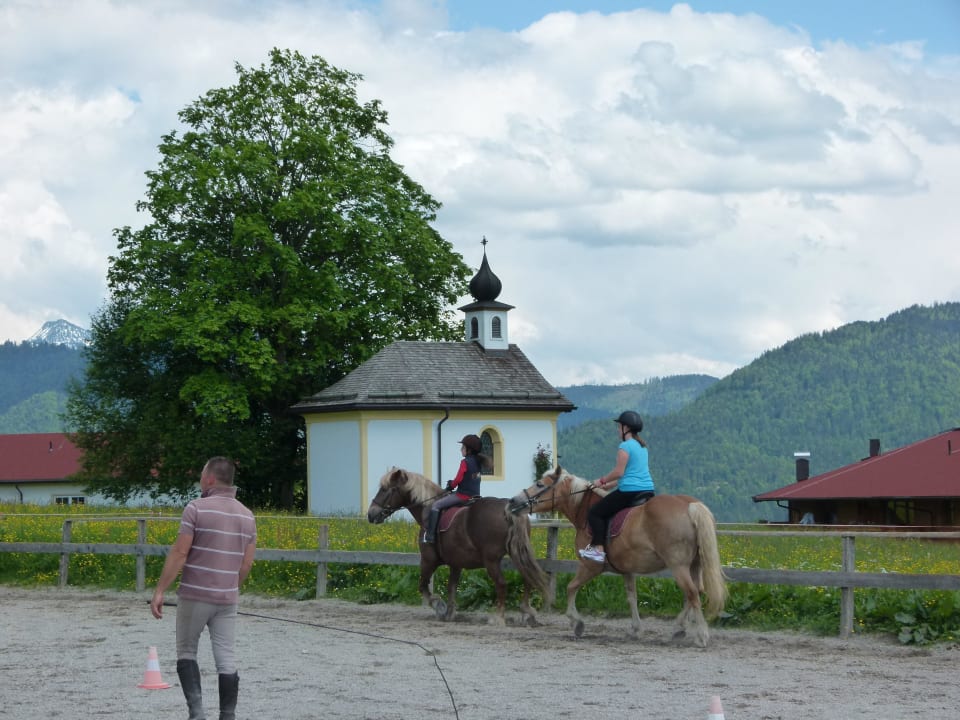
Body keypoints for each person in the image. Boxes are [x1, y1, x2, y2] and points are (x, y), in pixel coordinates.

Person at [150, 457, 257, 720]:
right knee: (226, 659)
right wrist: (230, 588)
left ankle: (197, 714)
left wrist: (160, 589)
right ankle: (227, 715)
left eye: (201, 474)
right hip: (227, 598)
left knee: (187, 652)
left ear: (210, 478)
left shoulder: (195, 508)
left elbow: (180, 552)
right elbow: (246, 564)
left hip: (195, 595)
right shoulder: (248, 516)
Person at [579, 411, 655, 563]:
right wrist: (610, 485)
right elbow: (630, 473)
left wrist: (600, 481)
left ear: (625, 428)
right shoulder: (642, 447)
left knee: (595, 512)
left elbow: (619, 472)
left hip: (629, 492)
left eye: (619, 426)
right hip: (647, 490)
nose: (617, 430)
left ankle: (598, 550)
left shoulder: (625, 446)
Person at [423, 434, 488, 544]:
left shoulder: (465, 462)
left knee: (436, 505)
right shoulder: (478, 462)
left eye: (462, 447)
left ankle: (430, 536)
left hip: (462, 496)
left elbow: (458, 479)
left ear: (469, 450)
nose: (460, 450)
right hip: (475, 496)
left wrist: (450, 486)